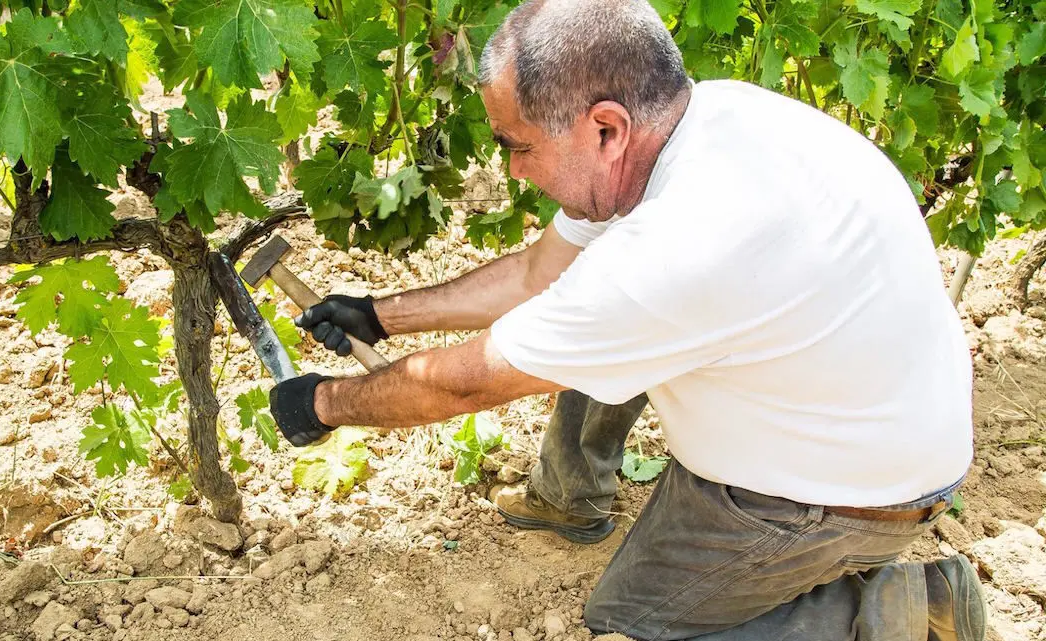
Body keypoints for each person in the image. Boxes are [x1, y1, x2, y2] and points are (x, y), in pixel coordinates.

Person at [267, 0, 986, 638]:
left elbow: (466, 384)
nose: (514, 171)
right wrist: (379, 315)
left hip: (838, 501)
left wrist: (324, 402)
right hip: (875, 425)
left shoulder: (678, 247)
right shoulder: (706, 120)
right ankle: (570, 495)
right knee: (584, 316)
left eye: (519, 146)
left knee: (631, 622)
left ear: (606, 128)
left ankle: (893, 613)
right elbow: (537, 276)